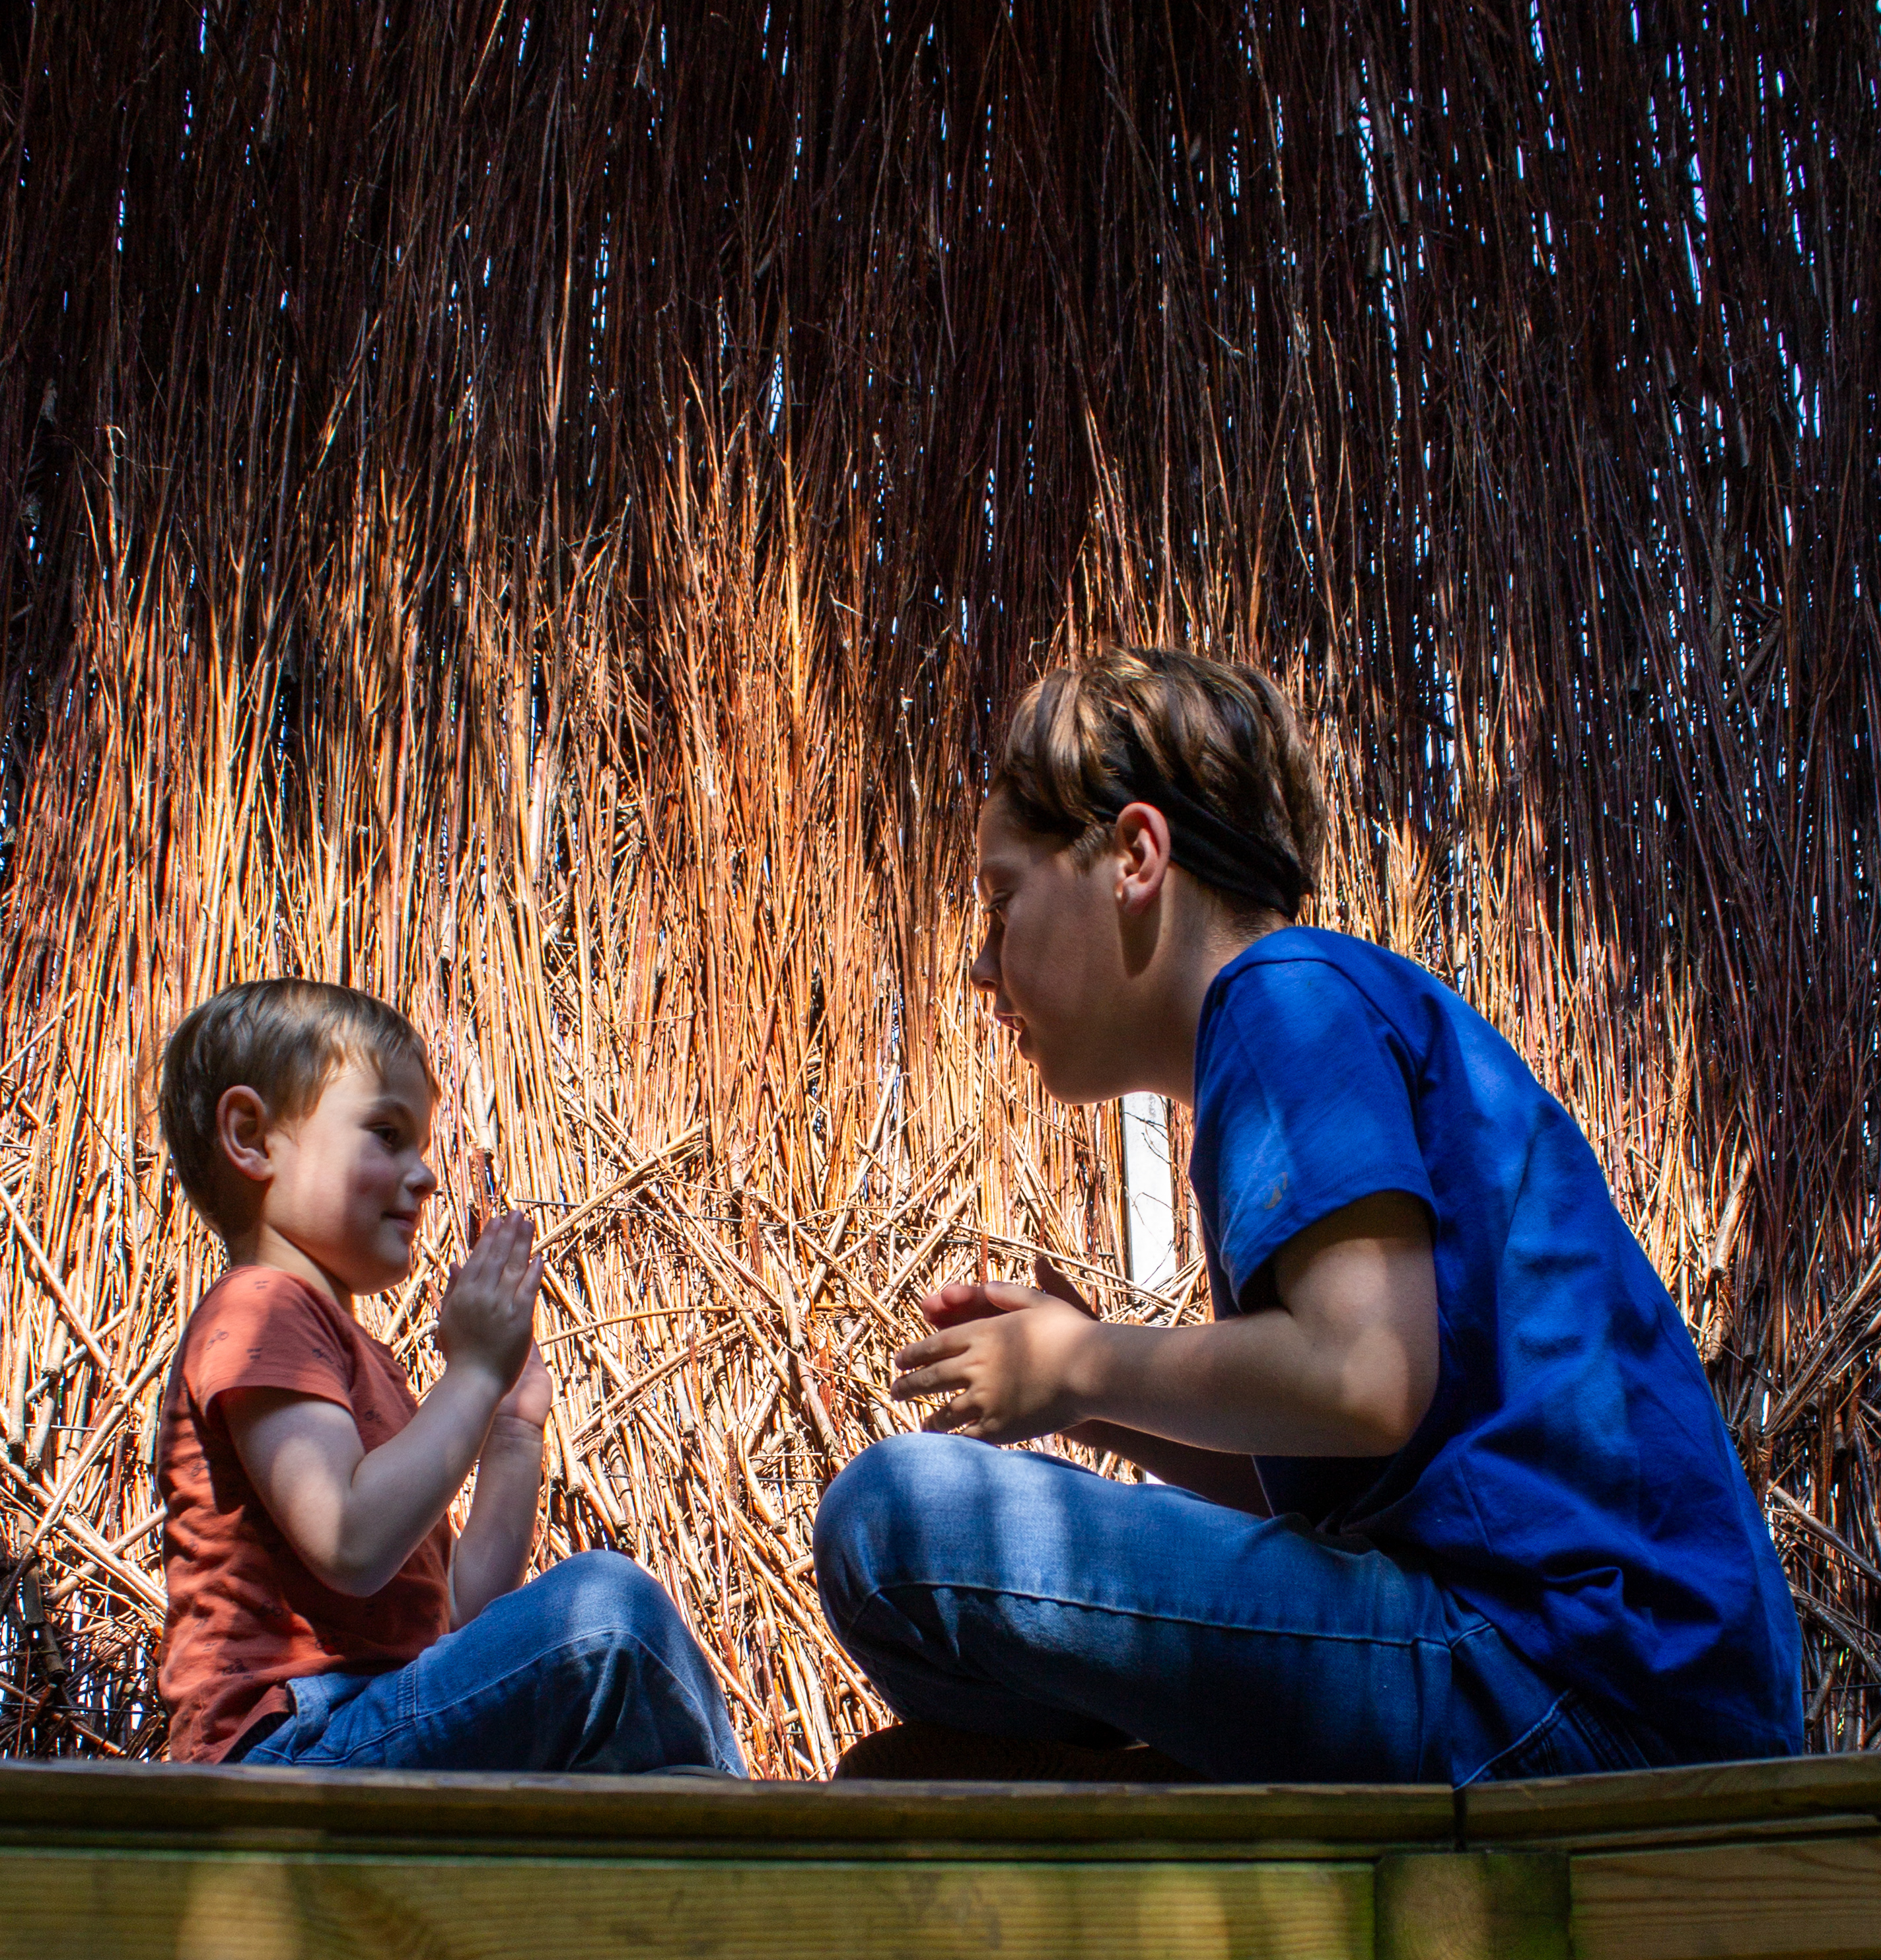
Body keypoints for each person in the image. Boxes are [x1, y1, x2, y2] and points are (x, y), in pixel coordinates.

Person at [814, 647, 1804, 1785]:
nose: (982, 969)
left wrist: (1082, 1361)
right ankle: (1157, 1790)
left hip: (1570, 1672)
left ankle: (1150, 1792)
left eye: (999, 897)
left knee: (894, 1523)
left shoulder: (1280, 996)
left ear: (1133, 856)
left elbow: (1364, 1378)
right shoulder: (1301, 1027)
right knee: (911, 1666)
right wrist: (1090, 1405)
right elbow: (1328, 1462)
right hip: (1586, 1677)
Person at [155, 979, 744, 1776]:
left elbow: (462, 1609)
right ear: (251, 1135)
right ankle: (757, 1868)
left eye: (422, 1144)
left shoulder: (359, 1361)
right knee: (609, 1611)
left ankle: (717, 1871)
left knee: (635, 1727)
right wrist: (468, 1371)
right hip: (291, 1747)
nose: (425, 1175)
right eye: (387, 1134)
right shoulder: (259, 1309)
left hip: (372, 1723)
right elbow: (350, 1540)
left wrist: (510, 1427)